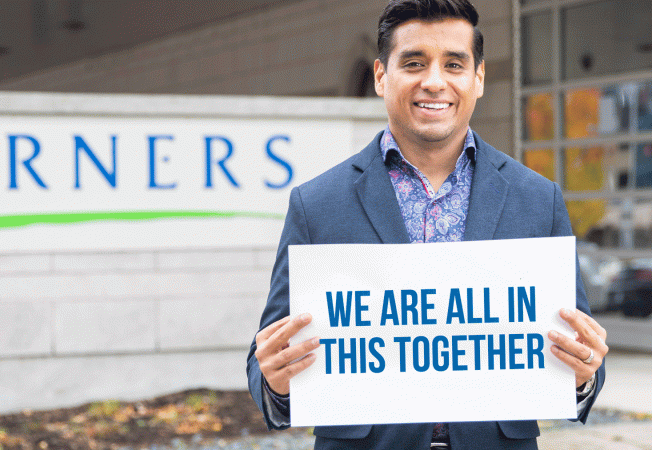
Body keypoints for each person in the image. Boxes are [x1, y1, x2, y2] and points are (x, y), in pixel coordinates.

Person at [246, 0, 608, 449]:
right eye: (414, 63)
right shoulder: (317, 204)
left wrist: (583, 375)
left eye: (454, 64)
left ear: (477, 78)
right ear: (381, 76)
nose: (434, 81)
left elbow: (583, 360)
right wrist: (276, 384)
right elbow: (265, 363)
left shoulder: (537, 199)